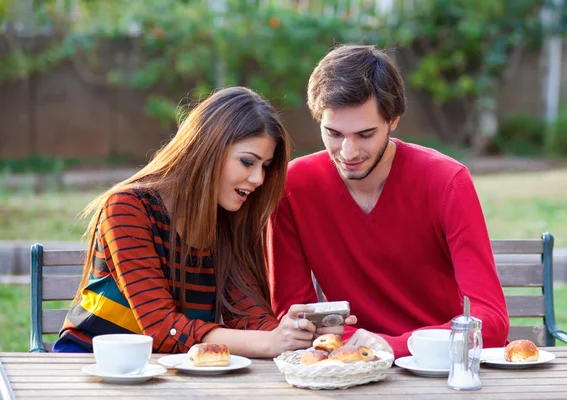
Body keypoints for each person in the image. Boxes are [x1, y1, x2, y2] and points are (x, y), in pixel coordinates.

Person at [54, 86, 354, 356]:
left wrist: (301, 333)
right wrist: (270, 342)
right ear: (207, 149)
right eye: (247, 162)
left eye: (264, 166)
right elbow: (161, 326)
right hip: (92, 359)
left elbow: (247, 314)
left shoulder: (228, 221)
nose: (258, 179)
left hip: (171, 372)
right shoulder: (127, 208)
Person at [269, 44, 510, 358]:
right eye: (333, 133)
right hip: (350, 366)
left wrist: (393, 346)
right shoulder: (293, 186)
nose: (348, 152)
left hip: (439, 367)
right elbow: (295, 315)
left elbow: (491, 322)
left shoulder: (447, 181)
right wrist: (363, 345)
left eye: (365, 134)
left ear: (393, 119)